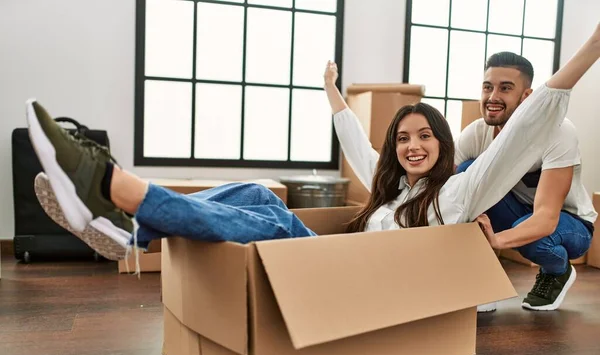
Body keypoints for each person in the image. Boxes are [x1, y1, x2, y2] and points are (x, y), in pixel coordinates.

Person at [28, 23, 600, 311]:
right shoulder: (393, 187)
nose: (413, 145)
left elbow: (521, 134)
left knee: (277, 223)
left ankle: (113, 186)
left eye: (426, 135)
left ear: (445, 144)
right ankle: (131, 230)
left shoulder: (455, 196)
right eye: (403, 138)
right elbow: (357, 144)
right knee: (257, 194)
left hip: (354, 286)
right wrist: (331, 90)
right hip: (335, 269)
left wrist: (590, 50)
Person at [455, 51, 597, 311]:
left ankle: (558, 271)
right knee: (465, 173)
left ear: (527, 97)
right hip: (516, 211)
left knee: (532, 235)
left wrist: (497, 241)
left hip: (569, 223)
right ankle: (485, 278)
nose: (493, 97)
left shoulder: (558, 132)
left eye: (505, 88)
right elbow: (449, 198)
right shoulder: (475, 134)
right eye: (488, 87)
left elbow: (545, 218)